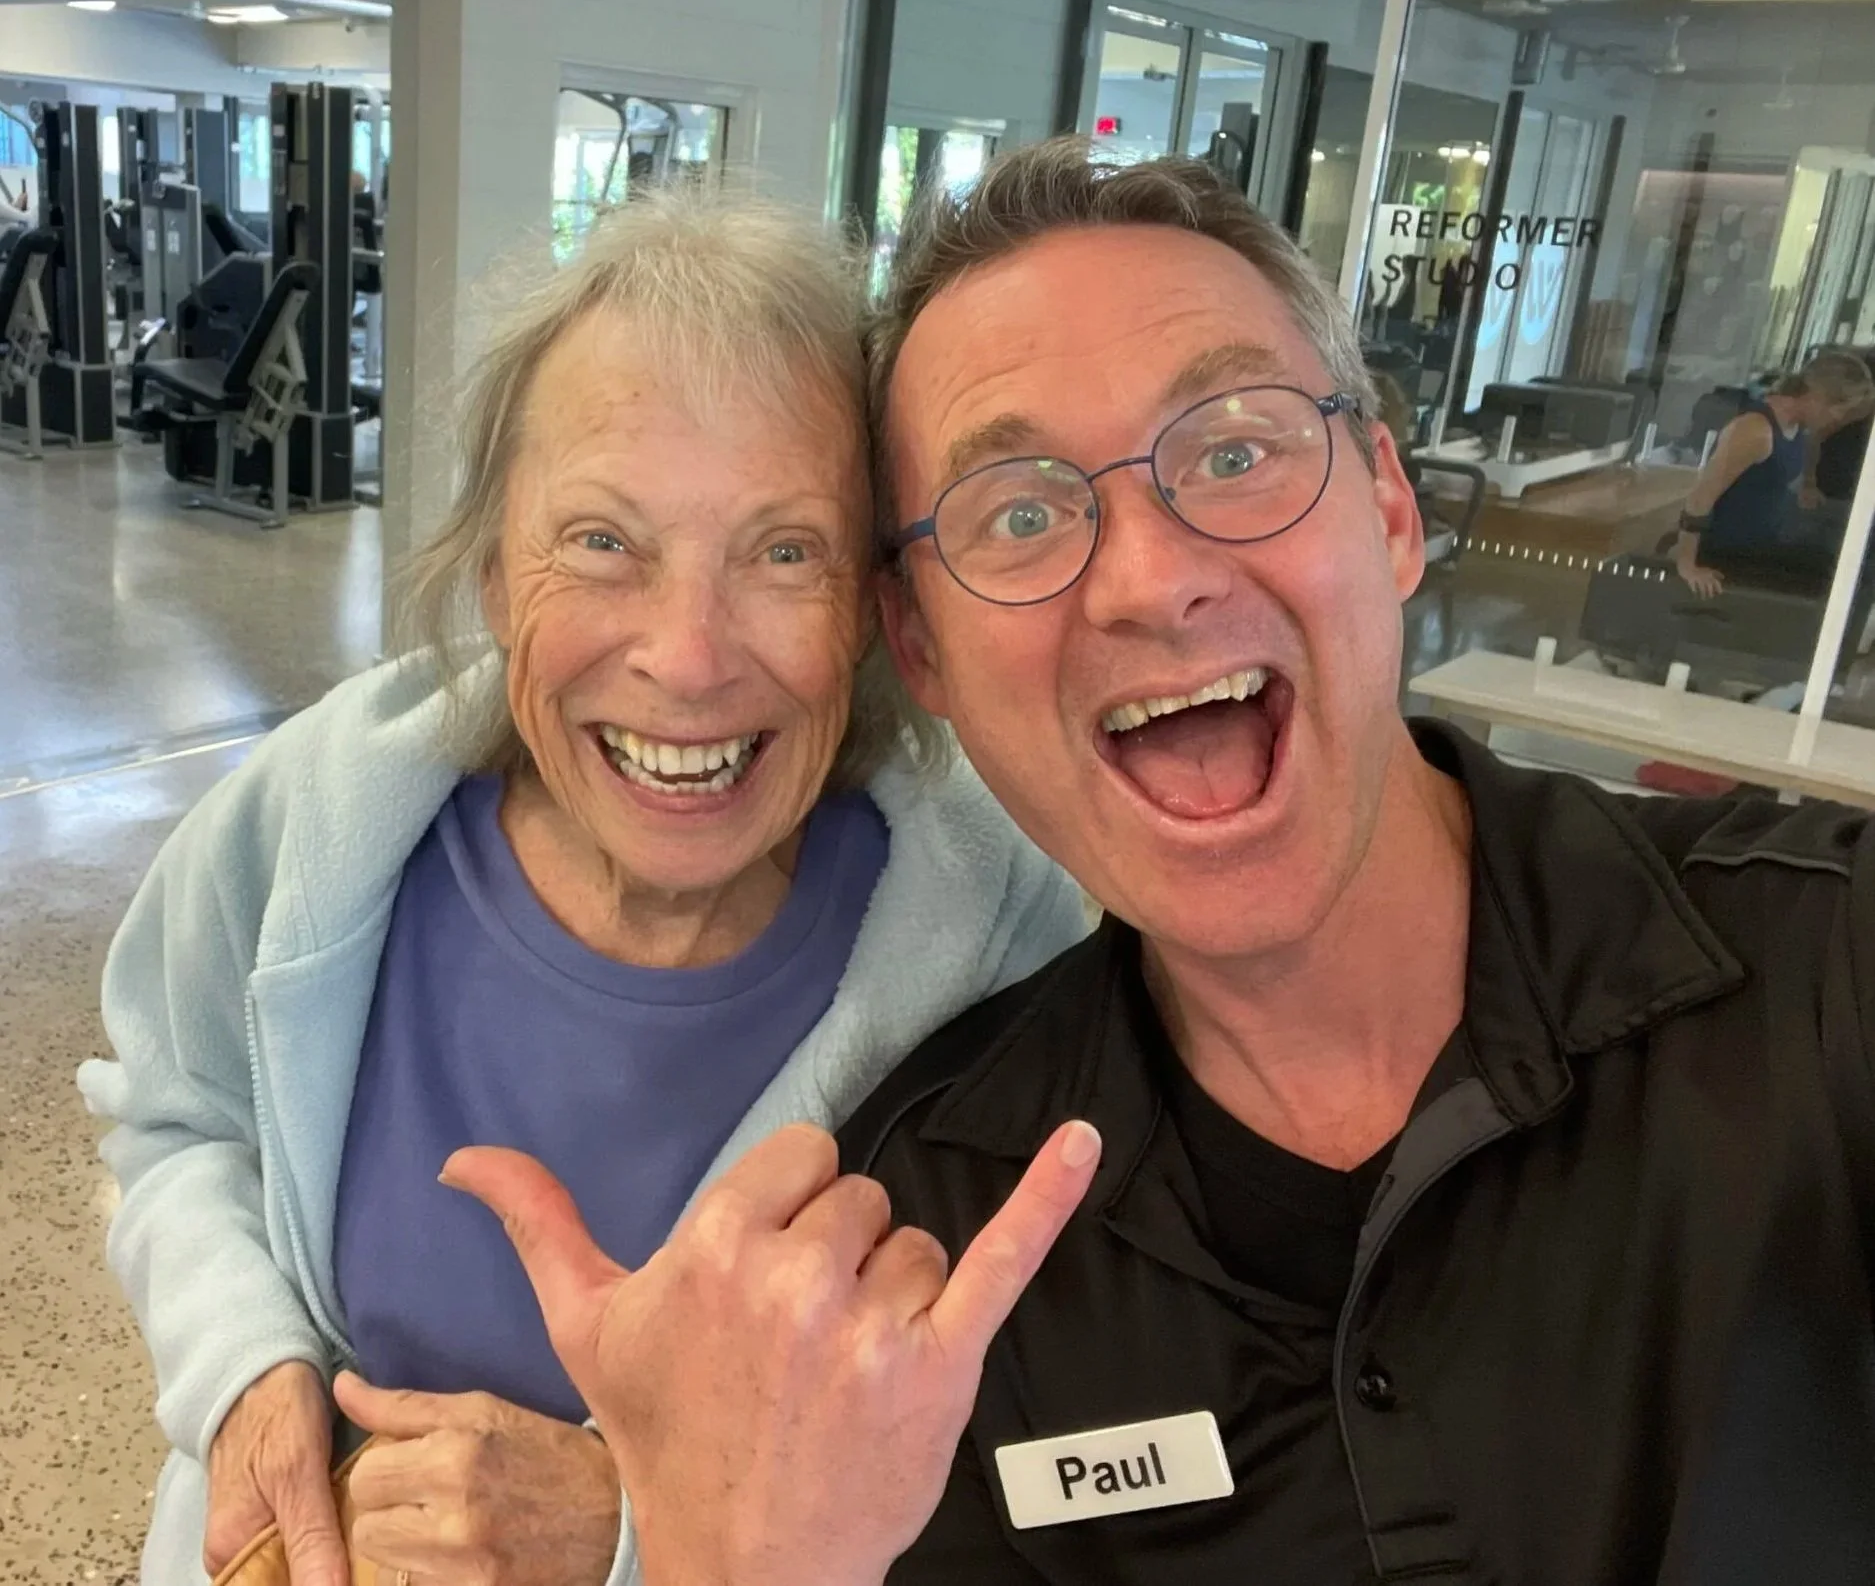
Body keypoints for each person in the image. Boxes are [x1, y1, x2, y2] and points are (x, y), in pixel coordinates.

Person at [448, 140, 1875, 1586]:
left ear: (1387, 504)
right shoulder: (938, 1232)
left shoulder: (1824, 979)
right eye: (1018, 511)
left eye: (1234, 449)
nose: (1146, 574)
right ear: (922, 645)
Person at [78, 188, 1086, 1586]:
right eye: (603, 541)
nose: (686, 657)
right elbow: (177, 1118)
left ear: (869, 603)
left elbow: (1051, 1436)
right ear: (497, 573)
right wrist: (243, 1366)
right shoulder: (319, 813)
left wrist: (634, 1522)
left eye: (782, 550)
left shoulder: (1004, 940)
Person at [1673, 351, 1873, 598]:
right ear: (1817, 398)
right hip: (1737, 548)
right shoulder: (1756, 430)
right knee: (1855, 569)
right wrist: (1686, 565)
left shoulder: (1797, 424)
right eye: (1839, 410)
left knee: (1863, 548)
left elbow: (1812, 445)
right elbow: (1699, 499)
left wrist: (1809, 484)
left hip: (1774, 529)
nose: (1840, 419)